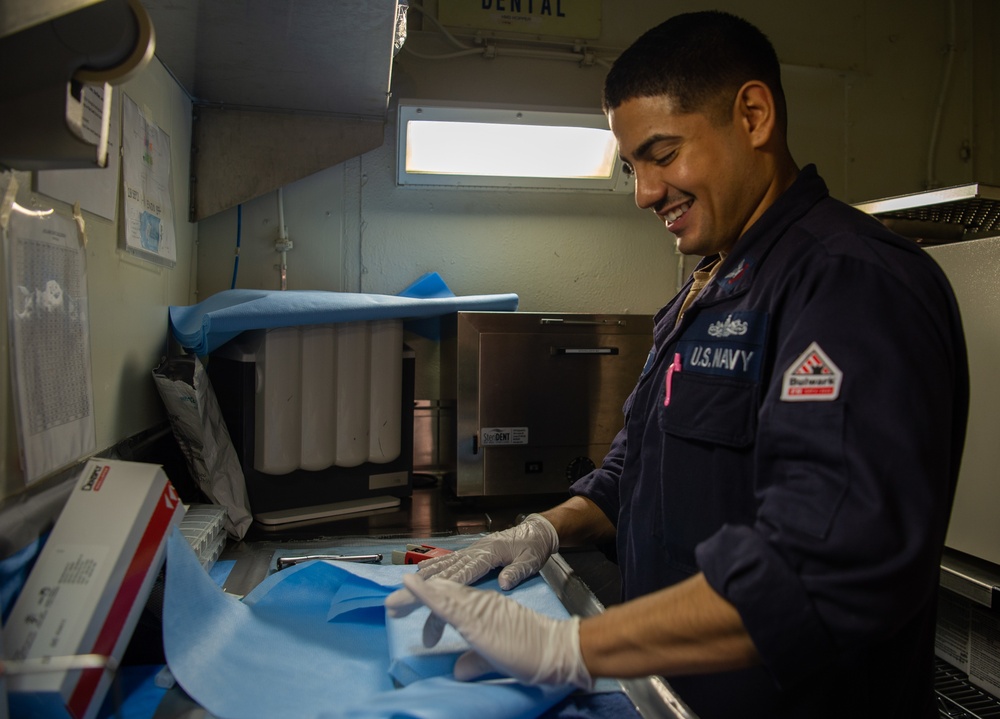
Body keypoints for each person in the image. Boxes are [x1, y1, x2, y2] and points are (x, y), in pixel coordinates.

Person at [386, 10, 969, 718]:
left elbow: (823, 565)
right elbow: (633, 474)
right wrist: (540, 527)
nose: (645, 192)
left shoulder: (849, 283)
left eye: (663, 155)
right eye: (632, 167)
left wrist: (574, 646)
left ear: (753, 115)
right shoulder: (705, 293)